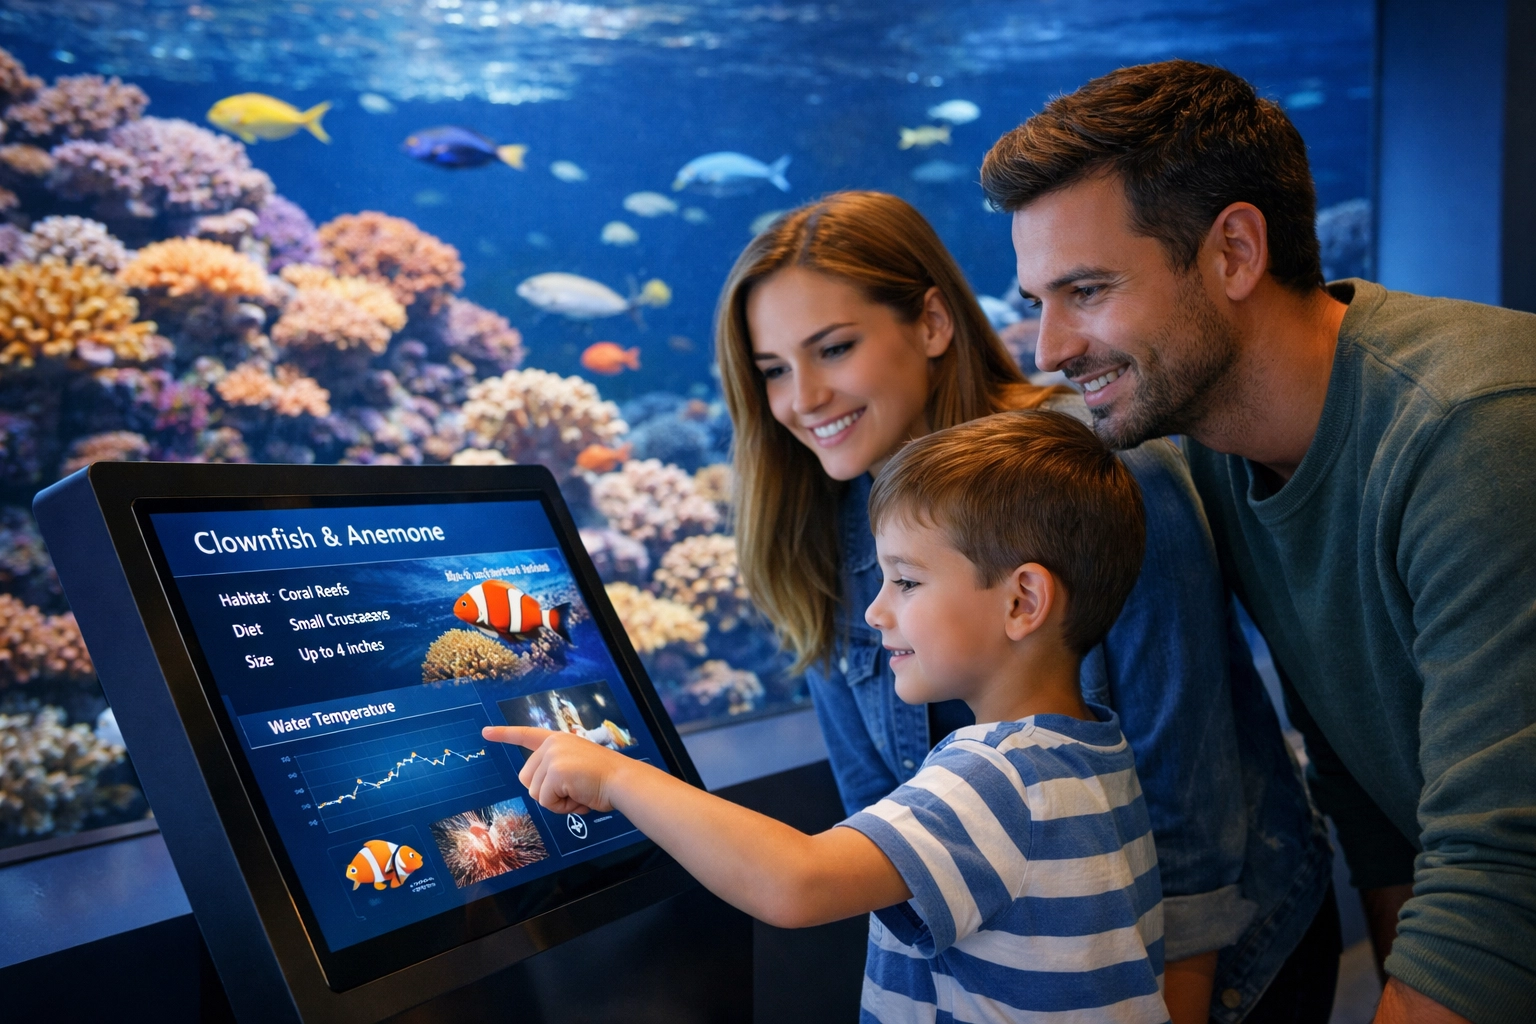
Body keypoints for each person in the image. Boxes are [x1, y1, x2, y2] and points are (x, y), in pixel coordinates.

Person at [981, 59, 1536, 1024]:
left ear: (1235, 251)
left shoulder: (1473, 430)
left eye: (1089, 289)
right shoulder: (1218, 452)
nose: (1052, 350)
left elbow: (1507, 864)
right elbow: (1371, 790)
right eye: (1039, 302)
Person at [714, 190, 1334, 1022]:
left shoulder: (1103, 469)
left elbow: (1192, 809)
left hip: (1209, 961)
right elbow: (879, 819)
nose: (804, 398)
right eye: (773, 371)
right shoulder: (813, 536)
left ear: (932, 323)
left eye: (833, 349)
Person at [489, 410, 1169, 1022]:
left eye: (906, 580)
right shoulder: (1092, 750)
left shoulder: (995, 781)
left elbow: (797, 882)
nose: (875, 611)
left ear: (1022, 601)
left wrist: (616, 778)